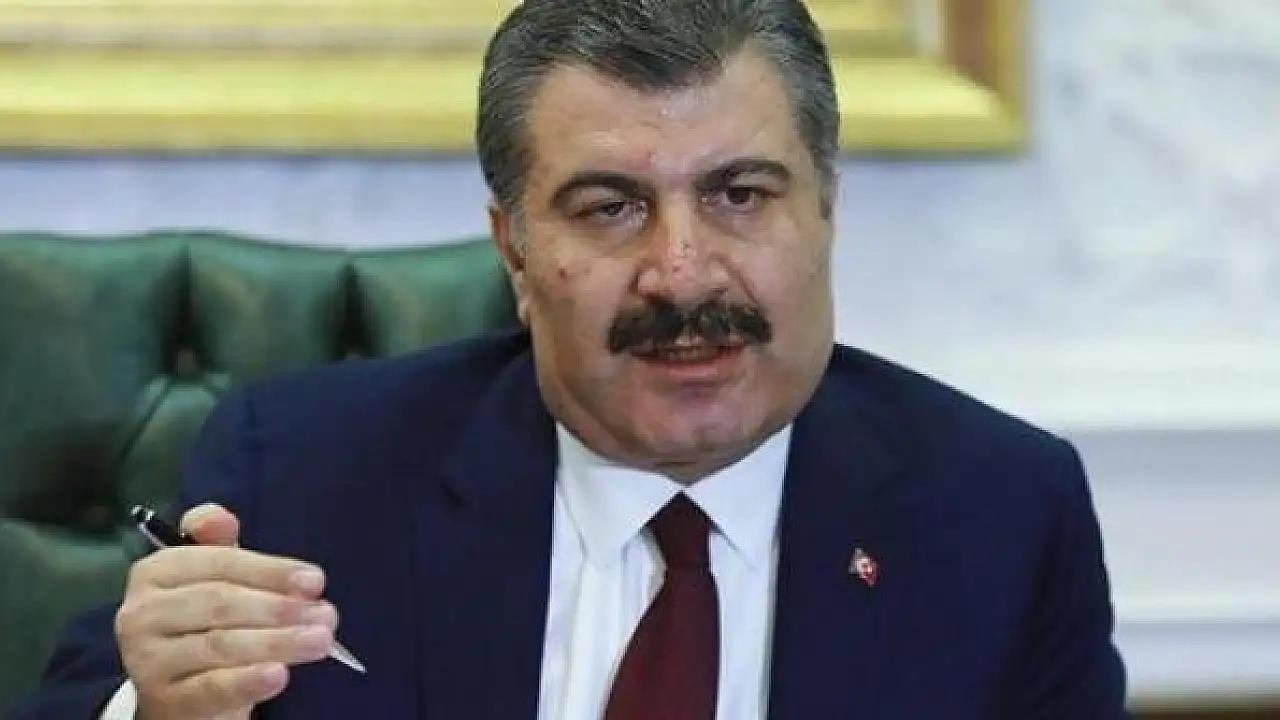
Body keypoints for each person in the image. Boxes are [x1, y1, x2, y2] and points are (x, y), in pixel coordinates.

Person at [10, 0, 1130, 718]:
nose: (681, 273)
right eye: (608, 207)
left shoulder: (996, 509)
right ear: (512, 249)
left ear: (825, 211)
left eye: (740, 195)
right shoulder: (306, 470)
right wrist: (156, 710)